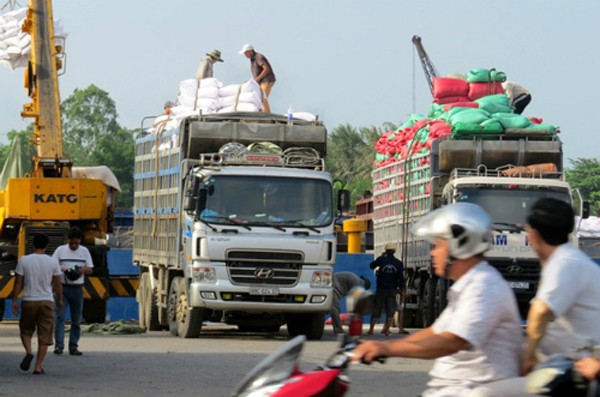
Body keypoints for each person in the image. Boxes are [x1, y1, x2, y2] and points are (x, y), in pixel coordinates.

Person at [353, 203, 523, 397]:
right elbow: (435, 332)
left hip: (468, 390)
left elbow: (451, 341)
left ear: (460, 244)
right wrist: (376, 346)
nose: (432, 253)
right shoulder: (465, 287)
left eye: (438, 245)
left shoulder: (484, 287)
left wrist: (385, 348)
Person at [468, 198, 600, 396]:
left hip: (577, 371)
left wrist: (528, 357)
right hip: (569, 364)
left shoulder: (564, 263)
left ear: (533, 234)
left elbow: (540, 311)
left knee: (482, 394)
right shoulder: (569, 259)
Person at [11, 233, 63, 374]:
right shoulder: (53, 262)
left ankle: (29, 351)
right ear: (47, 246)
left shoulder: (24, 260)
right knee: (44, 335)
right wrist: (59, 300)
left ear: (33, 244)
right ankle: (38, 367)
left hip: (29, 300)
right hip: (46, 301)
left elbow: (18, 282)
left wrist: (15, 300)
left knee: (26, 331)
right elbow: (57, 285)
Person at [53, 226, 94, 356]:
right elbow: (53, 266)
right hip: (62, 288)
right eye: (71, 243)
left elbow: (90, 269)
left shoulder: (85, 251)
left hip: (77, 288)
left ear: (80, 241)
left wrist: (81, 270)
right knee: (60, 317)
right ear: (67, 240)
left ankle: (73, 346)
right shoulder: (60, 250)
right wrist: (63, 269)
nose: (74, 246)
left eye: (76, 243)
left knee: (76, 319)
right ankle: (59, 345)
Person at [366, 242, 405, 336]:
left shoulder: (381, 260)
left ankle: (371, 330)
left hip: (381, 289)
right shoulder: (398, 263)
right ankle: (387, 331)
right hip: (392, 290)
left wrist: (380, 257)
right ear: (394, 251)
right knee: (390, 311)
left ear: (386, 250)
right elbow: (401, 277)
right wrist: (401, 289)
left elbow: (371, 266)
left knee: (376, 309)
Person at [239, 43, 276, 113]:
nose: (245, 55)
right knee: (258, 98)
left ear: (250, 51)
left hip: (266, 80)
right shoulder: (252, 59)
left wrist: (257, 79)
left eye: (246, 53)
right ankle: (261, 113)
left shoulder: (258, 57)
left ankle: (267, 115)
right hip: (261, 82)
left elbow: (266, 69)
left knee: (262, 98)